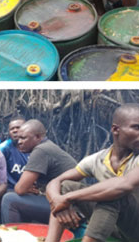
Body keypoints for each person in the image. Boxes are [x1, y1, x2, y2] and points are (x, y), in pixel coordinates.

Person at [44, 103, 139, 242]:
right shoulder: (98, 158)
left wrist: (68, 199)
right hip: (114, 225)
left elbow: (124, 185)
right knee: (66, 186)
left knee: (114, 194)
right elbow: (56, 181)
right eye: (136, 128)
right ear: (116, 129)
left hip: (135, 228)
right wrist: (57, 202)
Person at [1, 120, 77, 224]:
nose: (19, 142)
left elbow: (20, 189)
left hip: (70, 207)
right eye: (18, 138)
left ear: (37, 137)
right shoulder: (48, 146)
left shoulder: (41, 150)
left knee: (9, 199)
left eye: (23, 138)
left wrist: (25, 188)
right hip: (62, 200)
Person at [0, 116, 29, 190]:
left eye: (18, 128)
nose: (15, 130)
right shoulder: (3, 148)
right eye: (12, 129)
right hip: (10, 189)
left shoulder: (35, 147)